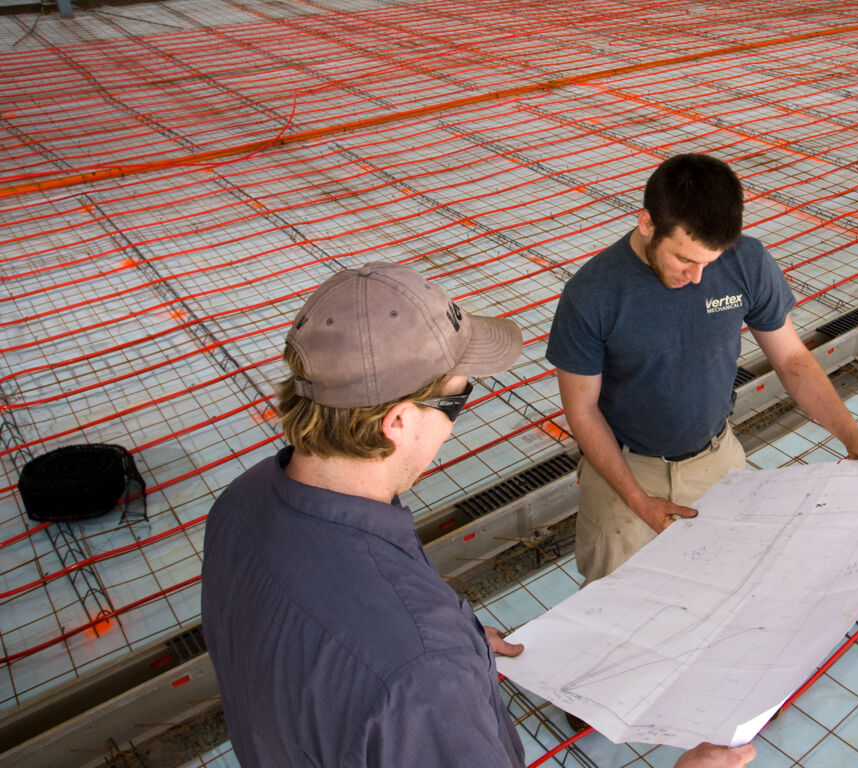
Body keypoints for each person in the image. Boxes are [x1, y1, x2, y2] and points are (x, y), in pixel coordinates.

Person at [201, 261, 754, 768]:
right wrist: (433, 657)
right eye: (457, 400)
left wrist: (449, 638)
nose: (455, 423)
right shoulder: (421, 673)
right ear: (396, 421)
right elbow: (394, 663)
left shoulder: (241, 503)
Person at [547, 153, 858, 585]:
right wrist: (638, 500)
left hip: (717, 458)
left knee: (726, 592)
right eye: (684, 260)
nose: (696, 277)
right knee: (618, 609)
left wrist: (851, 434)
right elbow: (582, 411)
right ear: (647, 223)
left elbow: (791, 358)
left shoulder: (746, 262)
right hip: (627, 473)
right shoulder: (592, 294)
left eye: (709, 262)